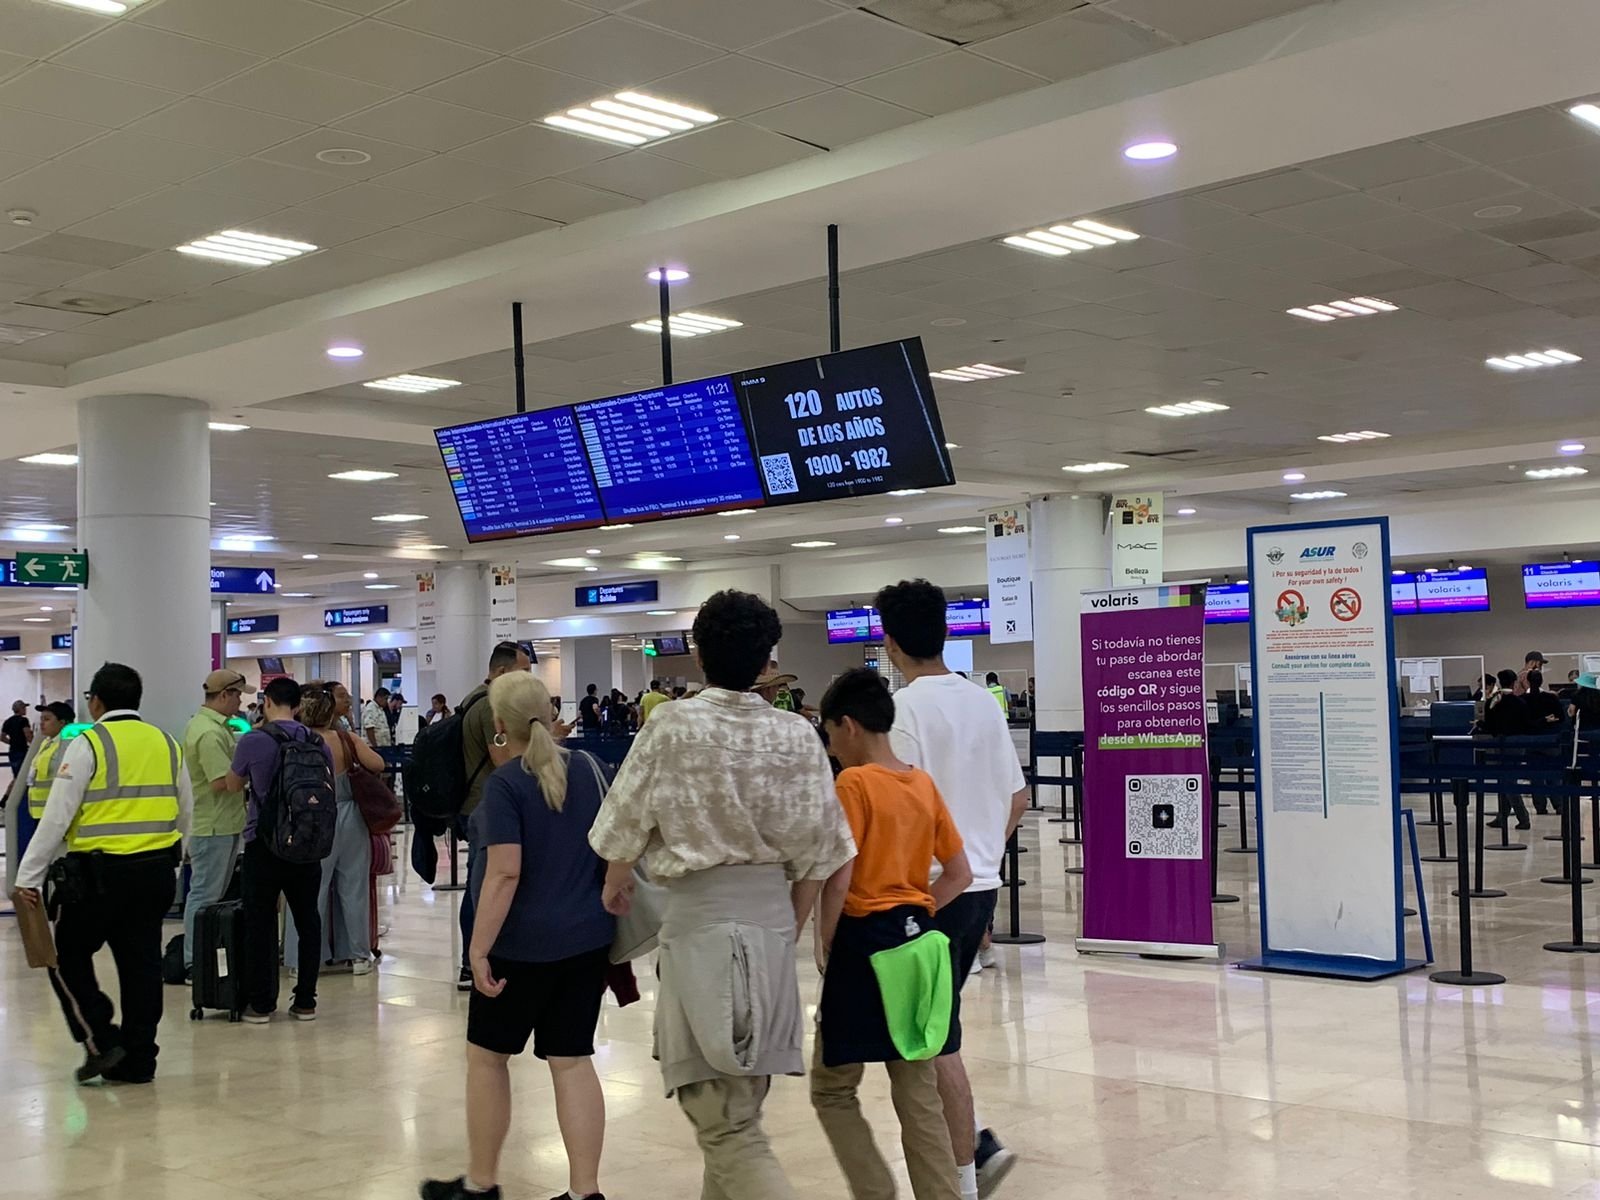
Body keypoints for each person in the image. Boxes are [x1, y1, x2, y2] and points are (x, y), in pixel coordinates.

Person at [589, 590, 854, 1200]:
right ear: (768, 660)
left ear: (699, 654)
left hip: (700, 932)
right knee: (738, 1112)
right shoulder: (797, 735)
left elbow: (619, 831)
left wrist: (616, 883)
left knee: (725, 1125)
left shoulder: (672, 727)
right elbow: (823, 850)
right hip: (769, 933)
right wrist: (787, 923)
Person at [423, 671, 614, 1200]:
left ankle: (482, 1183)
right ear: (551, 714)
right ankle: (585, 1191)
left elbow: (505, 872)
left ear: (499, 724)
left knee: (487, 1058)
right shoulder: (592, 769)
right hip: (586, 940)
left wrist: (477, 949)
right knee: (572, 1060)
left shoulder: (507, 784)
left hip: (520, 946)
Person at [876, 578, 1029, 1200]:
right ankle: (969, 1156)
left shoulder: (904, 710)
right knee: (939, 1028)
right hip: (979, 887)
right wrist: (982, 853)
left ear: (889, 643)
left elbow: (902, 806)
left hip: (930, 892)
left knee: (929, 1038)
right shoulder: (981, 702)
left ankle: (966, 1169)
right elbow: (1018, 795)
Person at [809, 668, 969, 1200]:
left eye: (829, 734)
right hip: (918, 947)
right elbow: (959, 874)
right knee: (918, 1093)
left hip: (862, 945)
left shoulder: (853, 783)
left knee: (832, 1089)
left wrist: (825, 941)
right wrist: (919, 913)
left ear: (849, 726)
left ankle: (876, 1190)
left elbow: (840, 875)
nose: (831, 747)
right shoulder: (921, 783)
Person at [10, 663, 193, 1084]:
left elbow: (57, 817)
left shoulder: (89, 742)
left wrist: (28, 877)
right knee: (141, 965)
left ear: (96, 701)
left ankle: (102, 1038)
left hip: (99, 877)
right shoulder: (166, 743)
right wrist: (176, 855)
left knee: (65, 957)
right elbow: (186, 809)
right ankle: (140, 1060)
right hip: (155, 873)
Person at [227, 675, 335, 1023]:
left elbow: (232, 785)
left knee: (260, 921)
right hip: (307, 842)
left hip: (264, 842)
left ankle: (260, 1004)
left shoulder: (254, 740)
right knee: (308, 919)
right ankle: (306, 1000)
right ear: (299, 706)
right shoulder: (318, 743)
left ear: (267, 702)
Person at [284, 682, 383, 976]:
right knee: (353, 886)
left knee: (306, 890)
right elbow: (376, 764)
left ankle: (301, 957)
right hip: (349, 814)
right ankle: (357, 955)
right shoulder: (345, 739)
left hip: (308, 819)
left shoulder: (295, 740)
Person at [456, 640, 534, 990]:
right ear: (502, 672)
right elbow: (505, 763)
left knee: (482, 883)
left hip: (482, 806)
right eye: (524, 673)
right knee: (482, 886)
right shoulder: (490, 707)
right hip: (484, 809)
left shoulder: (472, 698)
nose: (528, 681)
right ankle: (470, 963)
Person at [179, 669, 248, 980]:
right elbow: (222, 782)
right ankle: (194, 961)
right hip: (213, 826)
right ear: (224, 695)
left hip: (225, 823)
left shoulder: (216, 728)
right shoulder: (208, 733)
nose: (240, 701)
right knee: (204, 895)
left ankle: (203, 956)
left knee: (211, 895)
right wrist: (254, 769)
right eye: (237, 695)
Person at [3, 701, 74, 894]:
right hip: (38, 814)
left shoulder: (67, 745)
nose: (42, 723)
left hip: (55, 816)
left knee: (53, 863)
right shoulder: (45, 743)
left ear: (62, 722)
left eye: (47, 719)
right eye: (41, 719)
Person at [1482, 668, 1533, 830]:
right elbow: (1527, 725)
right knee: (1509, 779)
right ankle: (1502, 816)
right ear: (1513, 682)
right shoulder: (1520, 702)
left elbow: (1489, 725)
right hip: (1517, 744)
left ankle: (1522, 817)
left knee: (1505, 781)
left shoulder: (1493, 701)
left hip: (1500, 743)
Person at [3, 698, 34, 779]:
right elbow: (27, 735)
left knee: (17, 776)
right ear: (20, 709)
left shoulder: (8, 721)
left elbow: (2, 737)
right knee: (25, 776)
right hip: (22, 750)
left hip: (12, 752)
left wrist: (12, 742)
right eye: (24, 708)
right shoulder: (23, 720)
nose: (25, 710)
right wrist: (34, 746)